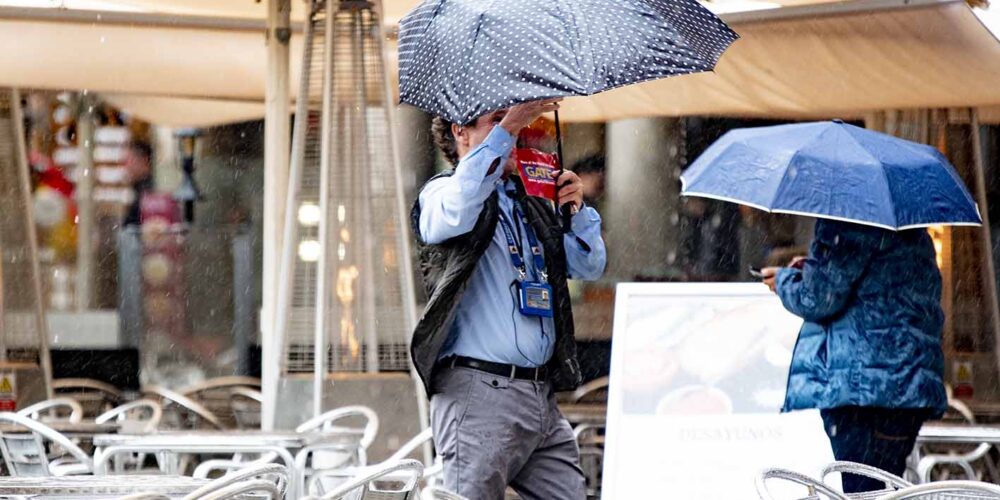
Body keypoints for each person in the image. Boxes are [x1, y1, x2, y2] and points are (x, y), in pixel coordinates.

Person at [410, 99, 607, 500]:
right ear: (459, 131)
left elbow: (589, 265)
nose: (512, 134)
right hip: (479, 391)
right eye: (495, 122)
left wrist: (575, 208)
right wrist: (513, 123)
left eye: (512, 124)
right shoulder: (442, 191)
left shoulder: (528, 199)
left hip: (539, 394)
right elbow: (458, 209)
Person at [761, 219, 946, 493]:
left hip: (860, 392)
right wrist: (813, 267)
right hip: (910, 389)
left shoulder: (844, 225)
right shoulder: (916, 234)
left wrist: (786, 280)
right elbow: (874, 280)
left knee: (859, 489)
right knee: (885, 487)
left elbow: (817, 299)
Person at [122, 140, 154, 226]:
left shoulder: (148, 192)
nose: (126, 167)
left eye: (129, 160)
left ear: (144, 160)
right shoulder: (139, 189)